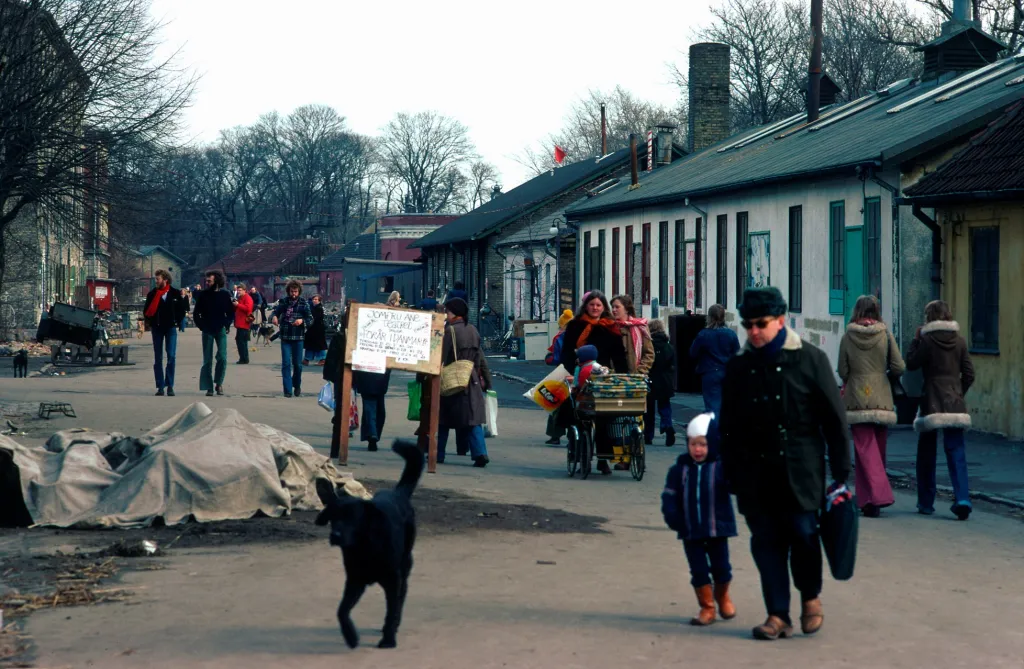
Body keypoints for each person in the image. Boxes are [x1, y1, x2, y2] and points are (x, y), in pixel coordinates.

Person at [719, 287, 850, 641]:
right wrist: (728, 473)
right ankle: (777, 615)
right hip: (755, 473)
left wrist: (842, 473)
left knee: (804, 534)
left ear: (780, 320)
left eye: (760, 324)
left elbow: (834, 420)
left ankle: (810, 598)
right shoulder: (739, 366)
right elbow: (728, 425)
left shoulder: (810, 359)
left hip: (801, 468)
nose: (753, 331)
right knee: (766, 542)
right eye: (747, 325)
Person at [661, 412, 737, 627]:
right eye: (693, 444)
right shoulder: (679, 470)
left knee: (722, 568)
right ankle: (707, 607)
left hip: (717, 529)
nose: (697, 449)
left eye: (703, 444)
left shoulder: (720, 468)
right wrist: (673, 516)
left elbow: (734, 485)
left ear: (712, 445)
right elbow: (669, 496)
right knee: (699, 570)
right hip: (690, 530)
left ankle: (722, 596)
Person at [905, 299, 975, 520]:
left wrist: (915, 340)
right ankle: (962, 498)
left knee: (926, 453)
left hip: (931, 401)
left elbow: (911, 363)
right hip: (954, 402)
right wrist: (958, 392)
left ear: (929, 318)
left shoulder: (927, 341)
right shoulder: (960, 342)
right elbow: (969, 374)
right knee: (956, 451)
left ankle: (926, 502)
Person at [837, 295, 905, 518]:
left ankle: (875, 496)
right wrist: (882, 374)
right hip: (881, 397)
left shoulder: (848, 336)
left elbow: (843, 370)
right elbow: (899, 366)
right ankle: (868, 501)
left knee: (864, 450)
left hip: (857, 397)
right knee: (878, 450)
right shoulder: (885, 334)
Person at [559, 290, 628, 475]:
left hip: (602, 377)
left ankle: (603, 459)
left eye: (598, 305)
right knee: (579, 418)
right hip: (579, 376)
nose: (595, 308)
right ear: (586, 306)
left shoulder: (610, 327)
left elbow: (619, 355)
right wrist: (570, 371)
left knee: (604, 419)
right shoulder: (575, 325)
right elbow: (566, 352)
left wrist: (623, 376)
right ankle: (581, 456)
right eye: (592, 304)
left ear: (604, 307)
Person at [437, 297, 492, 467]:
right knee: (472, 419)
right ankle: (480, 453)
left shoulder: (450, 331)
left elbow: (440, 356)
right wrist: (487, 381)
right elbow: (480, 358)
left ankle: (438, 454)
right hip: (471, 379)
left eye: (447, 311)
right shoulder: (473, 330)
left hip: (452, 378)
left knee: (443, 420)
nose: (446, 314)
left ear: (454, 313)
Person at [609, 294, 653, 469]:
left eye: (617, 307)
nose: (614, 310)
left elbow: (649, 354)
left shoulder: (640, 327)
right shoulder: (609, 328)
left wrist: (641, 372)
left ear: (626, 308)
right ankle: (622, 457)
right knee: (617, 419)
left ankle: (637, 453)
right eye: (612, 307)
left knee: (635, 418)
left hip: (635, 381)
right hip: (614, 380)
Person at [690, 304, 740, 417]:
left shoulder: (703, 334)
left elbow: (693, 353)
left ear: (709, 317)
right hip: (727, 373)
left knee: (712, 406)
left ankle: (715, 426)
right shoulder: (731, 334)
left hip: (710, 372)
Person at [143, 269, 187, 397]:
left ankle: (170, 385)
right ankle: (160, 386)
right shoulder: (152, 294)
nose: (156, 281)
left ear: (165, 280)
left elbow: (181, 310)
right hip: (157, 328)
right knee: (158, 357)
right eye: (155, 279)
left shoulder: (174, 293)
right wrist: (150, 322)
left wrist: (176, 321)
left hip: (170, 328)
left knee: (171, 356)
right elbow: (146, 310)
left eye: (158, 279)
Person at [193, 270, 234, 397]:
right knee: (207, 360)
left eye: (209, 281)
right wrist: (201, 326)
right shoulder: (203, 295)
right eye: (206, 281)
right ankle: (208, 386)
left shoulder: (225, 294)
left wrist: (227, 324)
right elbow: (196, 313)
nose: (207, 283)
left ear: (216, 280)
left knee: (222, 357)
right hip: (207, 329)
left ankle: (219, 383)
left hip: (220, 329)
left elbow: (231, 312)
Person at [272, 280, 313, 398]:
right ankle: (287, 390)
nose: (293, 294)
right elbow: (275, 312)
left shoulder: (304, 303)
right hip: (285, 337)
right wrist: (274, 317)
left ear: (299, 291)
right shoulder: (284, 302)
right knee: (286, 363)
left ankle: (297, 384)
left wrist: (302, 321)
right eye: (291, 292)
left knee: (298, 365)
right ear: (288, 291)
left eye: (295, 292)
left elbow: (310, 319)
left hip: (298, 337)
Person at [544, 309, 575, 446]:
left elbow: (556, 358)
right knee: (574, 405)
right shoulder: (580, 335)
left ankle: (555, 435)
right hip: (576, 372)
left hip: (562, 373)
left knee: (556, 403)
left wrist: (548, 358)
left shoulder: (559, 338)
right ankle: (573, 436)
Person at [646, 319, 677, 446]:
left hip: (651, 379)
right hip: (665, 380)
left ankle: (648, 436)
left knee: (649, 409)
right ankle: (667, 425)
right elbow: (672, 365)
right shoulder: (669, 346)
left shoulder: (648, 345)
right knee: (665, 406)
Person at [354, 366, 392, 452]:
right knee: (378, 410)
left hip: (367, 376)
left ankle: (372, 434)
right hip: (379, 377)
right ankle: (373, 434)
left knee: (370, 409)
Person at [232, 284, 254, 365]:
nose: (238, 292)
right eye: (238, 290)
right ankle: (243, 358)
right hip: (240, 323)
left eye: (240, 290)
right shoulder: (240, 298)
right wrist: (235, 305)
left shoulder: (247, 298)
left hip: (244, 323)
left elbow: (248, 309)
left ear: (245, 290)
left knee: (242, 342)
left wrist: (238, 305)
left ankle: (244, 359)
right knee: (241, 341)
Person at [303, 295, 328, 366]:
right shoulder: (312, 307)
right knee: (310, 344)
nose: (314, 300)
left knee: (320, 345)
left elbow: (315, 318)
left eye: (316, 299)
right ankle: (307, 359)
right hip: (312, 329)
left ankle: (322, 359)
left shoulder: (319, 308)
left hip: (318, 329)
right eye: (313, 299)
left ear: (319, 301)